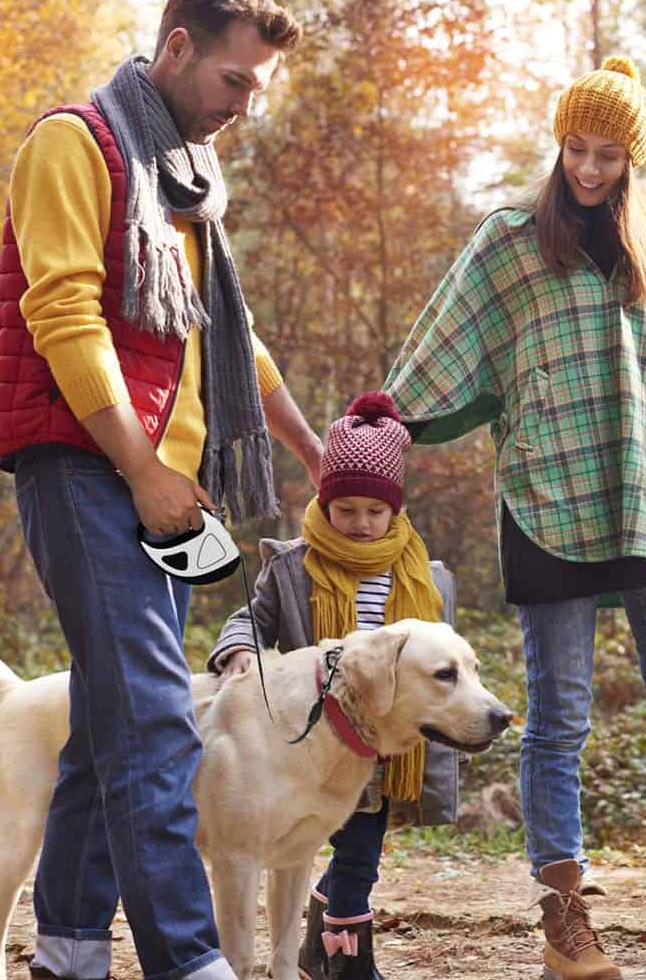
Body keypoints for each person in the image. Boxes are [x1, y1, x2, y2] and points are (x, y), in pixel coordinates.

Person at [383, 56, 646, 979]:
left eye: (607, 153)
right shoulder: (508, 242)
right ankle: (564, 919)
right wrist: (369, 434)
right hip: (545, 503)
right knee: (560, 720)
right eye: (575, 148)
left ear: (633, 157)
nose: (586, 167)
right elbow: (434, 359)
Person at [0, 0, 323, 978]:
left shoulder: (182, 181)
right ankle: (189, 959)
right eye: (234, 80)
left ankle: (71, 951)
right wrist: (141, 468)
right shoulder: (73, 143)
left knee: (108, 723)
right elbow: (65, 316)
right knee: (157, 719)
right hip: (87, 466)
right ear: (176, 47)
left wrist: (308, 447)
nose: (243, 105)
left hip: (162, 488)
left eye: (258, 89)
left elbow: (231, 334)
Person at [208, 391, 458, 980]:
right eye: (346, 510)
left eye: (375, 511)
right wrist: (239, 649)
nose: (361, 524)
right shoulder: (293, 567)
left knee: (360, 854)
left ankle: (339, 945)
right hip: (312, 743)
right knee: (309, 844)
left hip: (383, 738)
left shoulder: (427, 579)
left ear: (395, 512)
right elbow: (250, 618)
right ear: (326, 503)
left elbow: (443, 661)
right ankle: (330, 949)